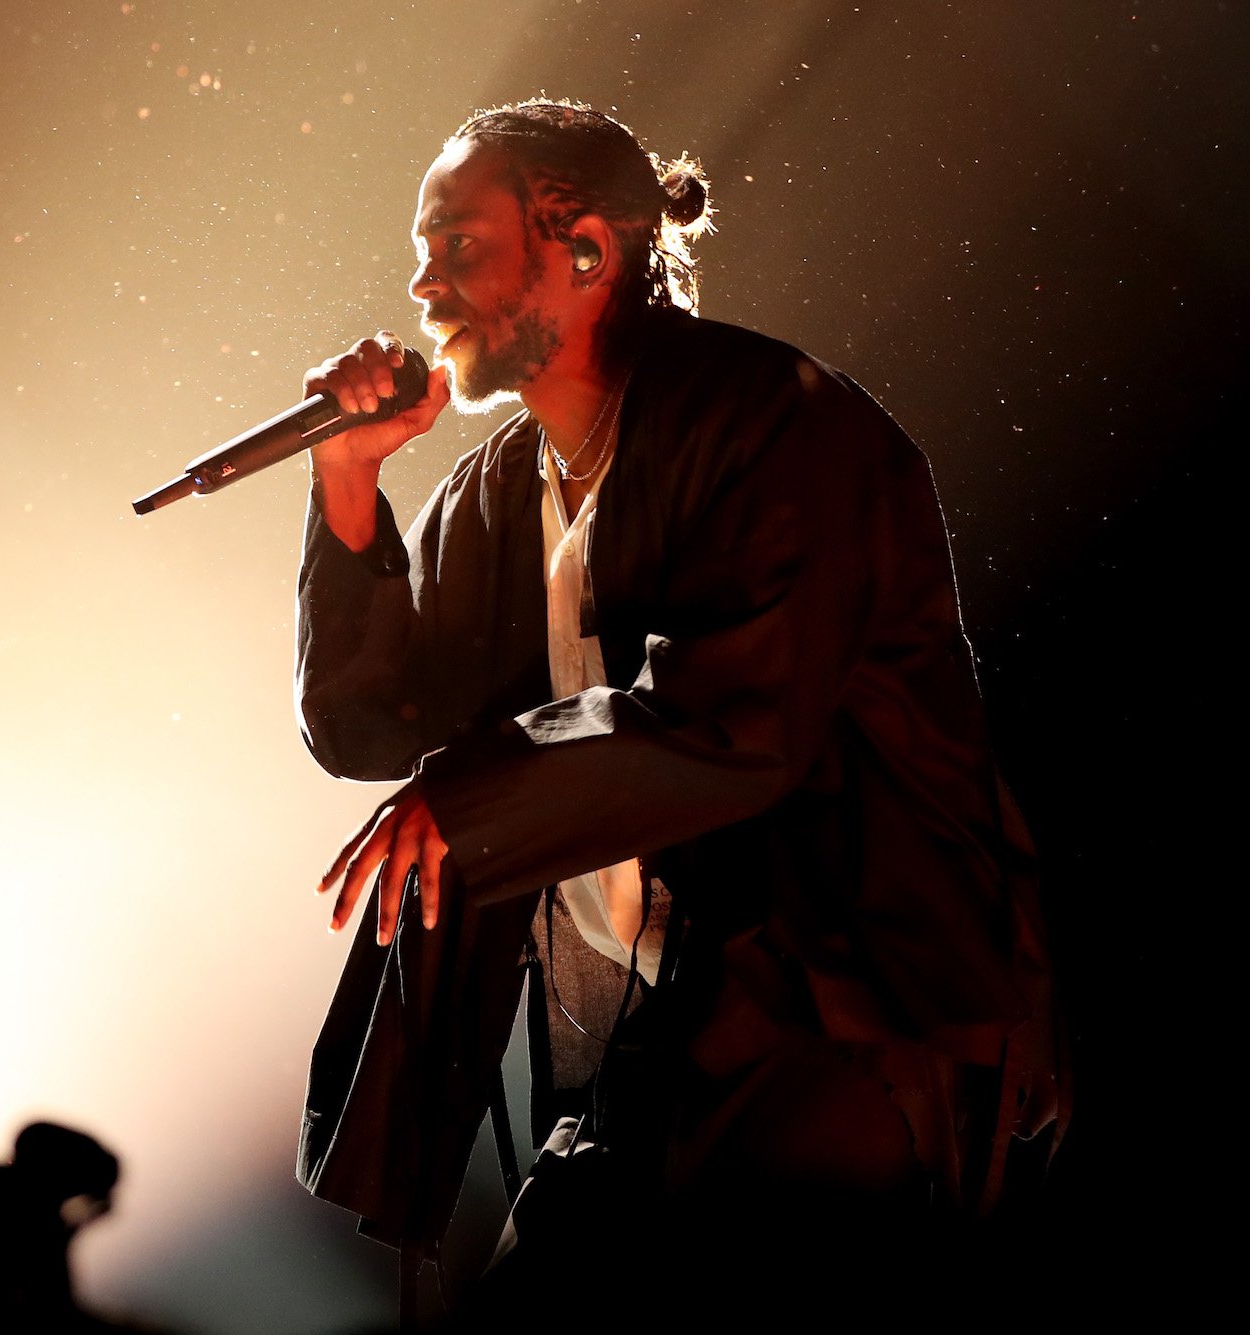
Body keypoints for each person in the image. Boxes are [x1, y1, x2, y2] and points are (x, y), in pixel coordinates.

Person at [289, 100, 1066, 1308]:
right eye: (422, 250)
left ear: (587, 253)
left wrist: (468, 800)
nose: (421, 280)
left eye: (458, 244)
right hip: (644, 1047)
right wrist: (348, 477)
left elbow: (734, 725)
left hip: (836, 1019)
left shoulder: (779, 424)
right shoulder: (497, 497)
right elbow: (364, 723)